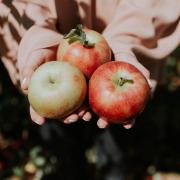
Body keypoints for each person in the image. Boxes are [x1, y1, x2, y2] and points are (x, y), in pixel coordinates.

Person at [0, 0, 179, 179]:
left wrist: (126, 40)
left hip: (124, 62)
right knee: (64, 151)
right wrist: (38, 35)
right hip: (49, 66)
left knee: (116, 154)